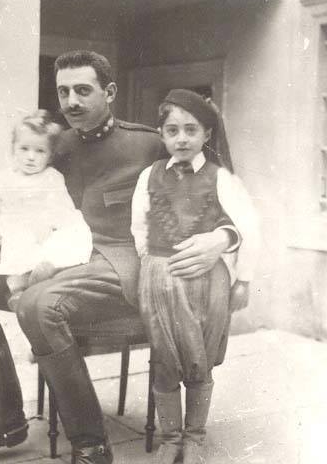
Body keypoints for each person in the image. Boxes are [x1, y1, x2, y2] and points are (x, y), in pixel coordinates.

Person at [0, 51, 239, 464]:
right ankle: (1, 422)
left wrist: (221, 238)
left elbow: (221, 191)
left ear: (109, 92)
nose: (71, 101)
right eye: (63, 92)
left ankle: (91, 445)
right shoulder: (52, 143)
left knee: (38, 304)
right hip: (52, 255)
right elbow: (12, 190)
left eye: (82, 90)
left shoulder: (149, 143)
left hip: (118, 264)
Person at [131, 89, 260, 464]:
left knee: (199, 358)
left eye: (191, 129)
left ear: (207, 133)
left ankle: (195, 437)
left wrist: (243, 279)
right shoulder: (149, 175)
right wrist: (150, 263)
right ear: (162, 134)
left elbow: (249, 226)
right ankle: (171, 437)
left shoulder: (221, 179)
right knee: (164, 357)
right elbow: (138, 225)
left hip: (207, 283)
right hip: (160, 277)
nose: (182, 138)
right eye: (172, 130)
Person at [0, 110, 92, 308]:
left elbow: (62, 208)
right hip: (14, 231)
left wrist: (59, 229)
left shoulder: (52, 177)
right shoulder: (4, 178)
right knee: (17, 247)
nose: (31, 157)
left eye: (40, 151)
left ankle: (42, 277)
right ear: (13, 149)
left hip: (43, 230)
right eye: (24, 149)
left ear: (50, 156)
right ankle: (17, 292)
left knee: (61, 242)